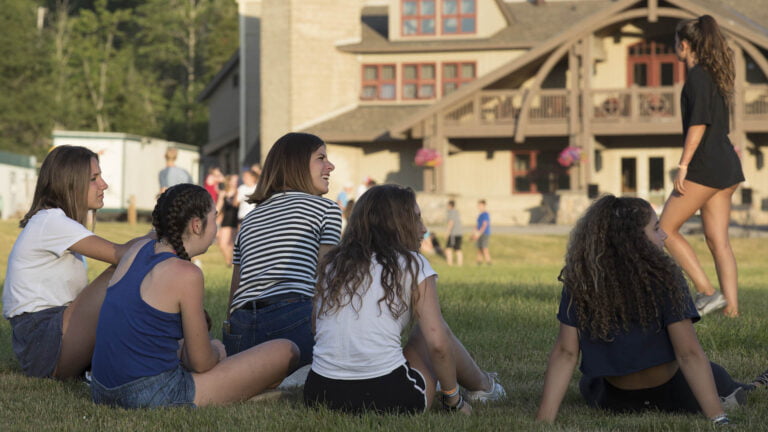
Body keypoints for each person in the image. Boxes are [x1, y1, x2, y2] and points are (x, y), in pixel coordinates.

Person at [536, 195, 749, 426]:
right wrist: (719, 419)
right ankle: (741, 390)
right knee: (718, 376)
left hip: (616, 400)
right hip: (673, 394)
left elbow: (566, 354)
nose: (664, 235)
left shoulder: (584, 279)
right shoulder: (667, 278)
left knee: (589, 382)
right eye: (656, 228)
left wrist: (543, 421)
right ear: (634, 238)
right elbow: (688, 354)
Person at [90, 184, 298, 408]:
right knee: (286, 350)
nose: (216, 227)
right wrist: (217, 351)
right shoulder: (186, 273)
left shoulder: (136, 250)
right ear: (197, 225)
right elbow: (201, 363)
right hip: (150, 394)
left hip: (102, 389)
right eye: (214, 218)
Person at [305, 185, 505, 415]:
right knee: (428, 332)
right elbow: (438, 344)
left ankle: (479, 383)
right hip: (390, 396)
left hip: (320, 393)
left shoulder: (331, 264)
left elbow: (316, 327)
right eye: (416, 220)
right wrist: (454, 399)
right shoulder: (412, 263)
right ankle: (483, 387)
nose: (423, 229)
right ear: (396, 225)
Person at [2, 145, 148, 379]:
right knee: (119, 271)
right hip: (43, 340)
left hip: (49, 337)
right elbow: (123, 255)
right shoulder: (50, 221)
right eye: (94, 178)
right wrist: (165, 232)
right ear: (70, 183)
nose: (104, 185)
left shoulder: (54, 222)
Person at [223, 132, 342, 367]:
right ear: (297, 164)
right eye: (321, 158)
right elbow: (326, 279)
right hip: (294, 318)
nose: (331, 166)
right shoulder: (326, 209)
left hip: (241, 326)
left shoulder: (250, 218)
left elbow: (236, 287)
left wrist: (230, 334)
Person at [659, 15, 744, 317]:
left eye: (674, 44)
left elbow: (699, 123)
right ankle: (731, 311)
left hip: (705, 166)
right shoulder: (716, 74)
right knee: (718, 240)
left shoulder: (696, 77)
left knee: (663, 230)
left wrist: (683, 165)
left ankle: (707, 293)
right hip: (726, 166)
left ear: (683, 45)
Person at [216, 174, 239, 266]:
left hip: (234, 220)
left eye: (237, 181)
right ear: (228, 181)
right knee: (222, 244)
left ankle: (231, 263)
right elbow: (218, 207)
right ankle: (230, 262)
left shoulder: (238, 192)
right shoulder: (223, 193)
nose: (236, 183)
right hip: (225, 221)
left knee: (229, 244)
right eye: (234, 180)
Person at [472, 199, 491, 265]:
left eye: (480, 205)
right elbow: (477, 224)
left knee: (484, 248)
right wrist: (474, 232)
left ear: (483, 205)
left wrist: (479, 233)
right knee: (479, 248)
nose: (478, 207)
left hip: (484, 233)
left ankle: (489, 262)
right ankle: (479, 262)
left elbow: (485, 224)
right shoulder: (480, 215)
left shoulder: (485, 214)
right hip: (478, 233)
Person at [445, 200, 463, 266]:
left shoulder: (451, 212)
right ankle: (460, 264)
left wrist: (447, 233)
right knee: (458, 249)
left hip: (453, 233)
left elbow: (451, 223)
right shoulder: (456, 212)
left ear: (450, 205)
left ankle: (450, 264)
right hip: (459, 233)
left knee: (448, 249)